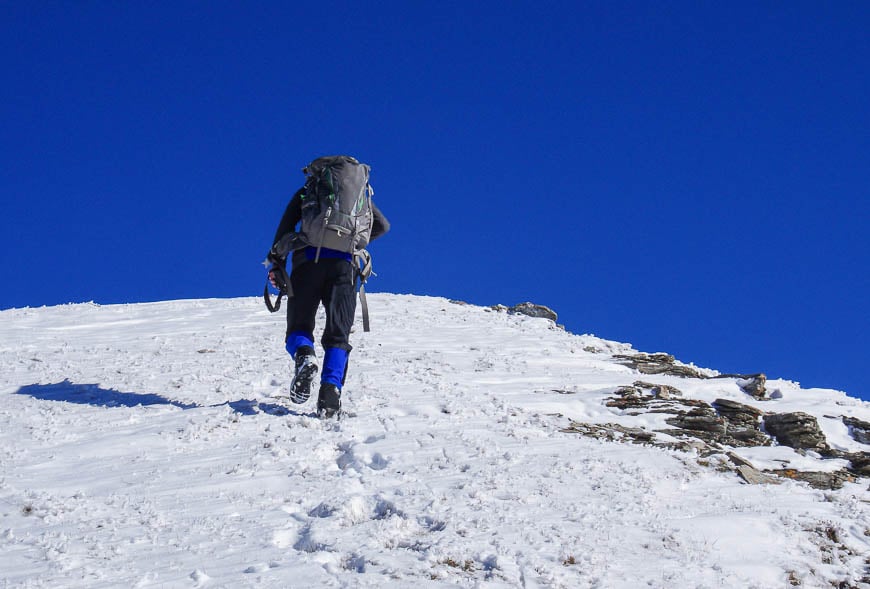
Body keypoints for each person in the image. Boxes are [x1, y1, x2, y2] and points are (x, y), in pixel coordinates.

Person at [268, 163, 389, 418]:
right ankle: (330, 395)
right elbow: (382, 226)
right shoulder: (359, 200)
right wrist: (353, 243)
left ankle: (304, 355)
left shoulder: (306, 193)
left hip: (307, 264)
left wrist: (276, 264)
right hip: (344, 268)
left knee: (299, 326)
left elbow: (283, 231)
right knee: (338, 335)